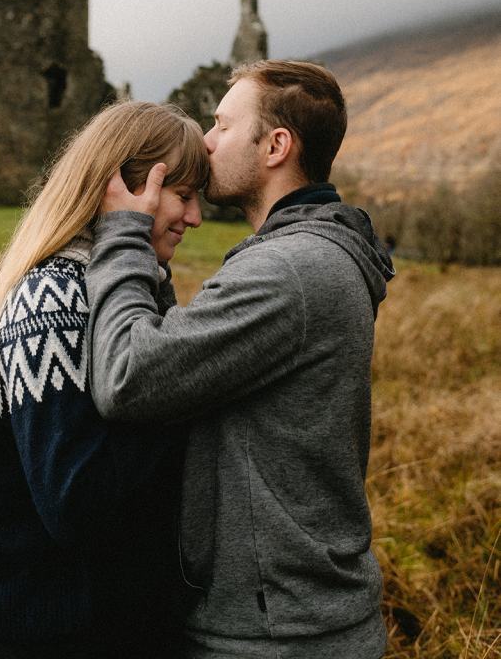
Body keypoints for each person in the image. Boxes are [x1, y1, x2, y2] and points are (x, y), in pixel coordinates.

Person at [85, 60, 395, 659]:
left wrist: (123, 233)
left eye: (223, 125)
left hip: (275, 635)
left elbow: (127, 376)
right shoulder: (306, 255)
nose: (205, 140)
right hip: (291, 619)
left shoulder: (288, 271)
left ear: (276, 145)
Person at [0, 101, 209, 659]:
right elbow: (76, 502)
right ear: (125, 190)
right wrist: (188, 396)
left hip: (103, 631)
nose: (195, 217)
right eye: (182, 195)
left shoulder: (122, 291)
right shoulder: (56, 298)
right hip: (47, 639)